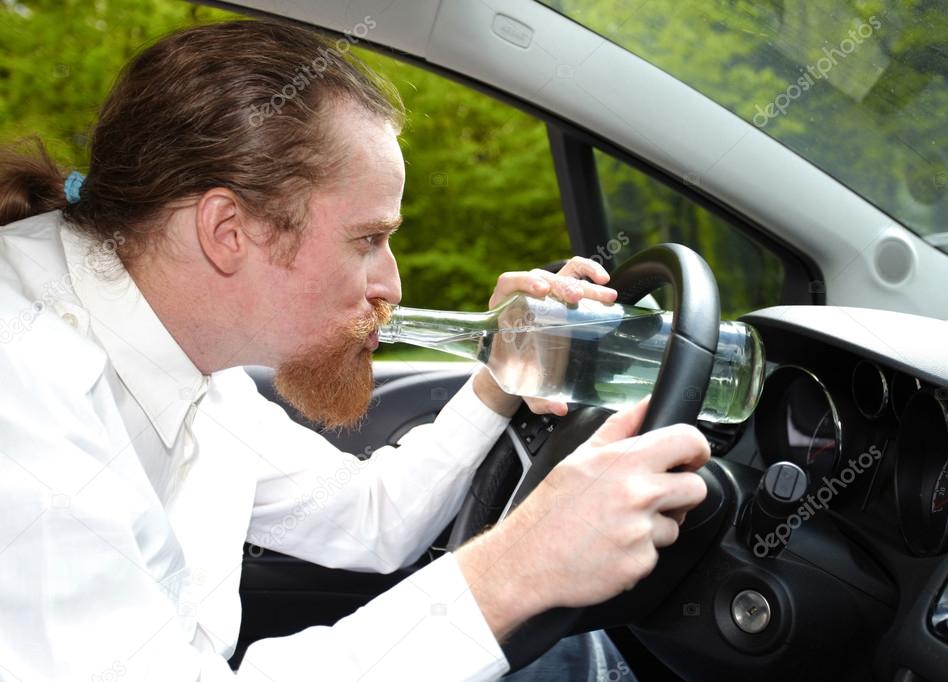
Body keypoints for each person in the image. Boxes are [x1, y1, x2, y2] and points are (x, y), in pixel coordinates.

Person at [0, 20, 710, 681]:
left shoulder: (193, 367)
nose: (390, 284)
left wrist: (500, 371)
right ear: (227, 230)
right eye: (367, 240)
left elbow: (368, 519)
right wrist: (520, 567)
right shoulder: (23, 379)